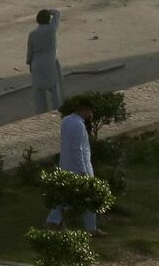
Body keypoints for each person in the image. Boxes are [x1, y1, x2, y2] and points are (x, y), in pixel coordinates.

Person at [44, 98, 102, 235]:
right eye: (91, 112)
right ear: (85, 110)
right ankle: (91, 228)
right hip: (79, 168)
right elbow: (78, 150)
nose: (91, 115)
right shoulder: (79, 126)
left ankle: (52, 221)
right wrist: (83, 171)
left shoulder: (67, 121)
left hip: (65, 165)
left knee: (65, 197)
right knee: (89, 196)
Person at [27, 8, 64, 113]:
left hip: (36, 65)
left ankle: (40, 116)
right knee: (56, 93)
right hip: (50, 64)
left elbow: (29, 52)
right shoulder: (52, 30)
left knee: (39, 96)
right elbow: (57, 13)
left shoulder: (32, 34)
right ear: (48, 20)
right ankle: (58, 113)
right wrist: (49, 11)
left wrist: (30, 64)